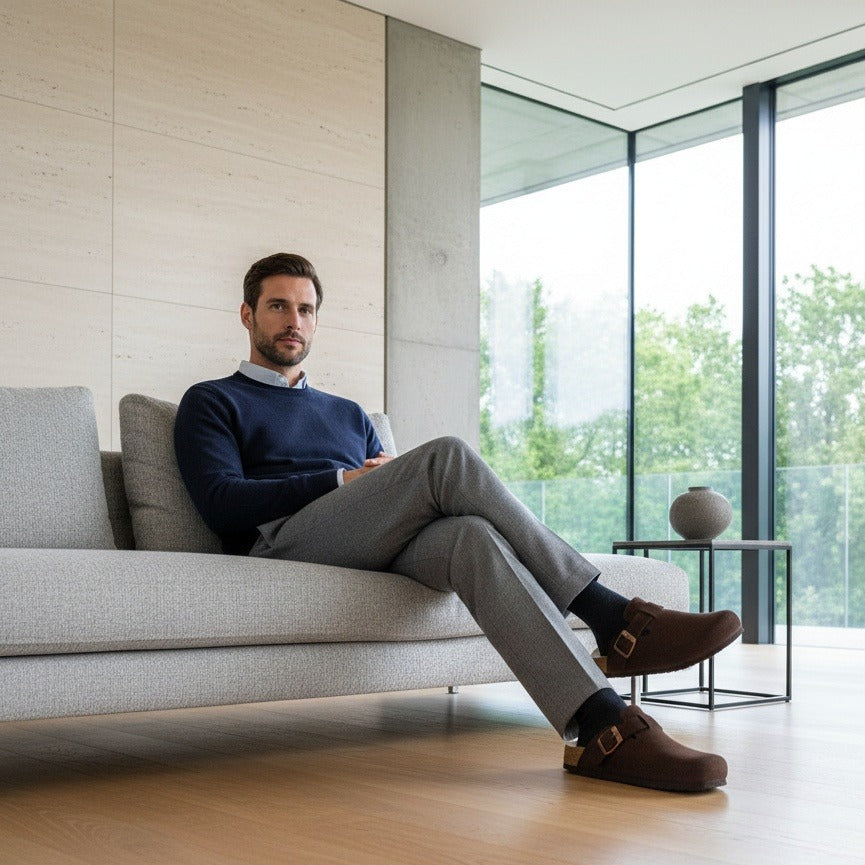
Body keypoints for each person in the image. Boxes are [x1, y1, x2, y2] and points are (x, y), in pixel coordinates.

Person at [174, 253, 742, 793]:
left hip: (366, 538)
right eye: (277, 306)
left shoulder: (348, 414)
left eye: (306, 309)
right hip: (282, 543)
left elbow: (395, 494)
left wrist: (377, 483)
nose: (293, 321)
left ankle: (601, 728)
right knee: (447, 456)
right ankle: (611, 615)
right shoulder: (213, 401)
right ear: (248, 315)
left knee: (472, 537)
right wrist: (340, 480)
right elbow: (223, 504)